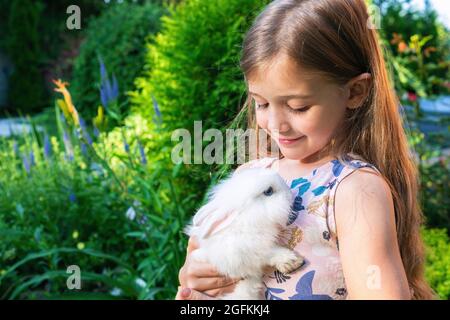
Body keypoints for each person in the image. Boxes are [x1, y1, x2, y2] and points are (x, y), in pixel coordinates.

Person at [176, 0, 436, 300]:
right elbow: (198, 264)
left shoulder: (352, 190)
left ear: (355, 92)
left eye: (298, 107)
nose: (275, 124)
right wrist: (195, 278)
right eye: (261, 103)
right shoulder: (252, 177)